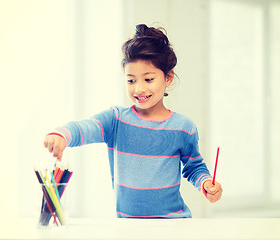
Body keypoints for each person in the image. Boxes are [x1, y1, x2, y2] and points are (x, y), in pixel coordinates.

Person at [44, 24, 223, 218]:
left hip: (174, 224)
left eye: (148, 79)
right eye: (131, 80)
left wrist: (206, 183)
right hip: (128, 226)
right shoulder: (116, 120)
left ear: (168, 77)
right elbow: (85, 128)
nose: (138, 89)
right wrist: (62, 134)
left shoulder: (183, 127)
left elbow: (194, 167)